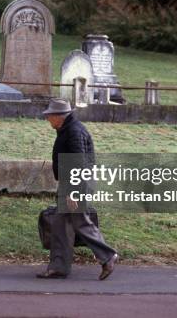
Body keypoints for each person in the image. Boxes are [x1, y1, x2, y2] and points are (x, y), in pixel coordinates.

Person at [37, 98, 118, 280]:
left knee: (80, 222)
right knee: (60, 225)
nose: (48, 119)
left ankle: (107, 256)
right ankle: (59, 267)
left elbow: (79, 163)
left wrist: (73, 192)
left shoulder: (74, 131)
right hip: (72, 183)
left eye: (50, 116)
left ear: (60, 116)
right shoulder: (66, 129)